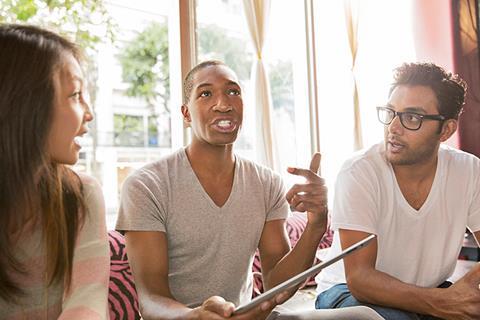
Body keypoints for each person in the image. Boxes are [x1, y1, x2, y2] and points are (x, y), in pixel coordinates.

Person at [116, 60, 329, 320]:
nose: (224, 104)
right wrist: (195, 317)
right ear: (186, 114)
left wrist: (316, 225)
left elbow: (277, 284)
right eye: (206, 94)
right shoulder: (146, 185)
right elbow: (150, 299)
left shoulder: (267, 183)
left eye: (233, 92)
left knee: (362, 315)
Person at [315, 62, 480, 319]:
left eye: (412, 117)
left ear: (446, 130)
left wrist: (457, 296)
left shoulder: (468, 171)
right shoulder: (359, 172)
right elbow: (360, 278)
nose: (393, 127)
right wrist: (440, 302)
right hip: (348, 293)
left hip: (429, 291)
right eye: (390, 112)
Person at [0, 25, 110, 319]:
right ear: (25, 104)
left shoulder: (81, 194)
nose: (89, 112)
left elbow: (89, 298)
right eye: (75, 94)